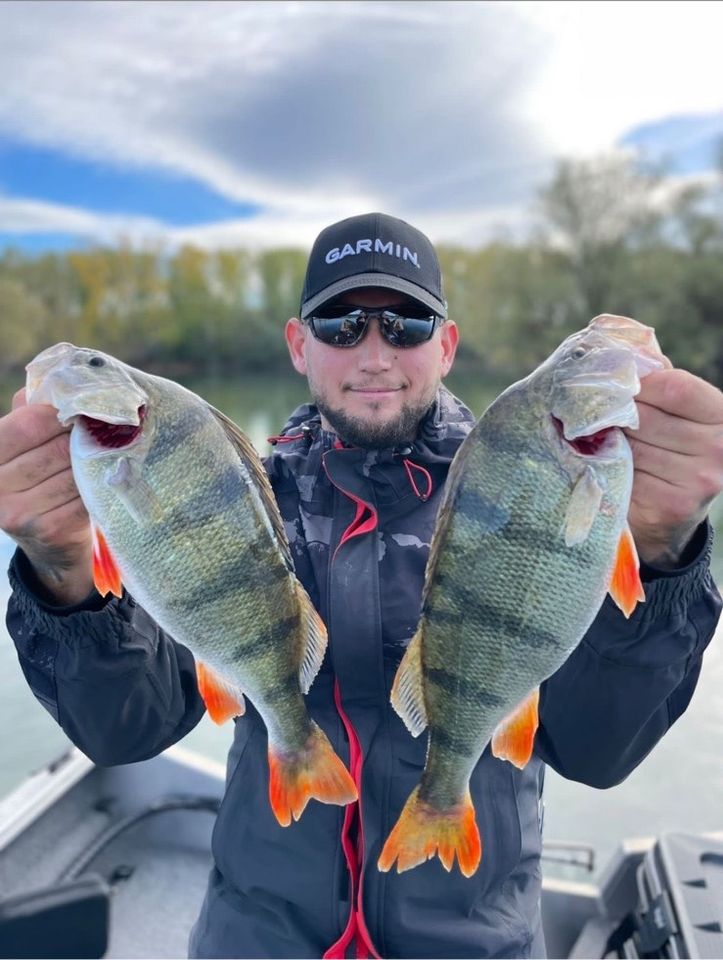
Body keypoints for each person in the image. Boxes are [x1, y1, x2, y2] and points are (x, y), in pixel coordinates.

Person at [1, 211, 721, 959]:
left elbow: (599, 751)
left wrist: (666, 553)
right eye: (341, 323)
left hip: (477, 941)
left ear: (445, 345)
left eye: (406, 323)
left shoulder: (526, 492)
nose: (374, 352)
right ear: (298, 345)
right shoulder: (227, 498)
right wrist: (63, 576)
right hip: (257, 933)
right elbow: (129, 731)